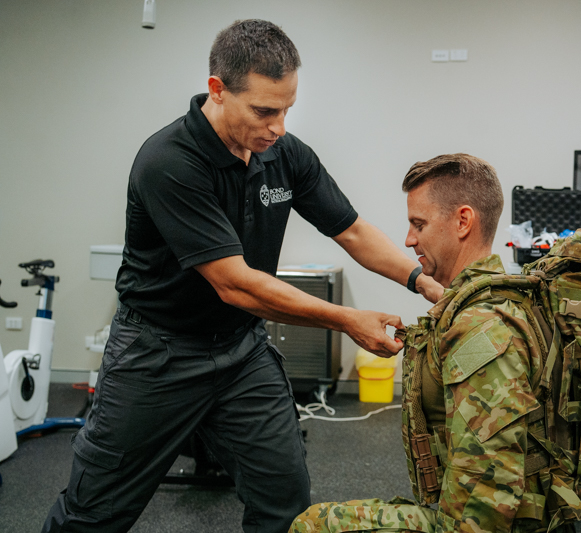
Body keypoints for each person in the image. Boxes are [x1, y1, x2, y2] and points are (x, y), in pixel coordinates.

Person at [42, 20, 442, 533]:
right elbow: (235, 282)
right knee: (94, 513)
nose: (278, 126)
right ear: (217, 90)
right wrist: (347, 320)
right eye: (264, 110)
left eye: (287, 109)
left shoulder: (284, 153)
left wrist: (422, 282)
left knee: (284, 497)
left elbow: (353, 232)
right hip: (158, 354)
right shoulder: (168, 161)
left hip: (239, 351)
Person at [290, 153, 546, 533]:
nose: (409, 240)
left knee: (312, 525)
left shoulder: (480, 329)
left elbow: (481, 515)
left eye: (418, 225)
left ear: (463, 221)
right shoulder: (490, 301)